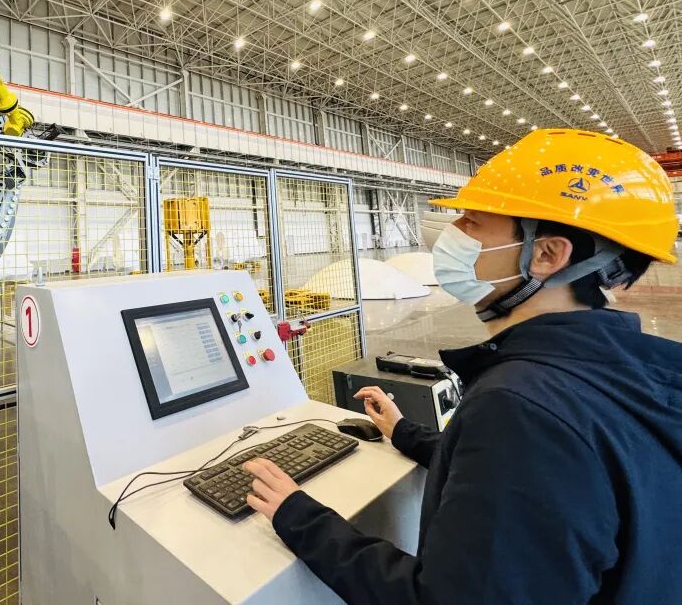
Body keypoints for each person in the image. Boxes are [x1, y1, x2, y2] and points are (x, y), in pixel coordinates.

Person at [243, 128, 682, 604]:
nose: (452, 233)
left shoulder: (522, 407)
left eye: (472, 221)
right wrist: (406, 433)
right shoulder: (622, 370)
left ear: (547, 254)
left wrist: (299, 516)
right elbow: (527, 482)